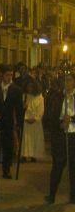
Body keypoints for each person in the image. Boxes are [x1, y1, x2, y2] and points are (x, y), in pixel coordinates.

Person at [44, 75, 74, 204]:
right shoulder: (56, 97)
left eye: (69, 80)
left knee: (73, 167)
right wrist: (60, 123)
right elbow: (49, 117)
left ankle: (73, 196)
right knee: (58, 166)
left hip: (73, 135)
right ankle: (52, 194)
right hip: (61, 136)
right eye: (64, 80)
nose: (67, 83)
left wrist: (72, 119)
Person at [0, 65, 24, 177]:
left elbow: (18, 108)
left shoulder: (16, 90)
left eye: (11, 75)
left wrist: (19, 124)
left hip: (8, 121)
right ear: (2, 75)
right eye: (7, 75)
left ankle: (6, 169)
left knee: (7, 146)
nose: (9, 77)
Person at [20, 79, 45, 161]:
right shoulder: (24, 96)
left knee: (35, 139)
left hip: (35, 121)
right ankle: (24, 155)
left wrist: (35, 119)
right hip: (25, 120)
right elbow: (20, 108)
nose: (29, 88)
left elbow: (41, 110)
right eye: (28, 86)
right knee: (25, 139)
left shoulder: (40, 97)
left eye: (31, 86)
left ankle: (34, 155)